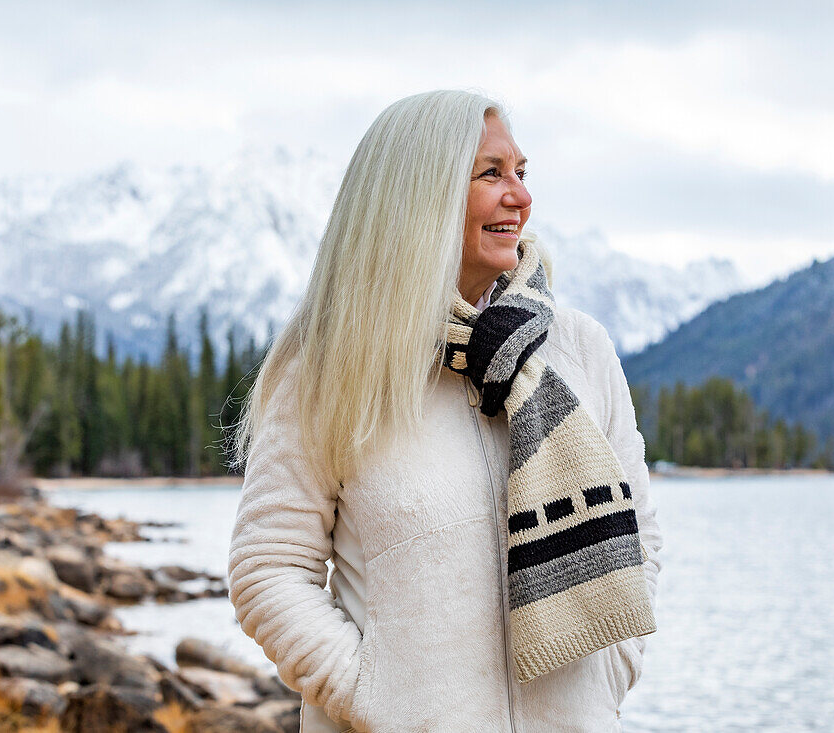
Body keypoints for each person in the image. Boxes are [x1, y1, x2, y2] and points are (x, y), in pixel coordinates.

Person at [227, 90, 663, 733]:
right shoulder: (329, 367)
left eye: (522, 172)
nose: (520, 195)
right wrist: (375, 700)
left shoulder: (577, 351)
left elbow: (640, 542)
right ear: (420, 196)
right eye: (492, 173)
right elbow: (268, 568)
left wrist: (606, 679)